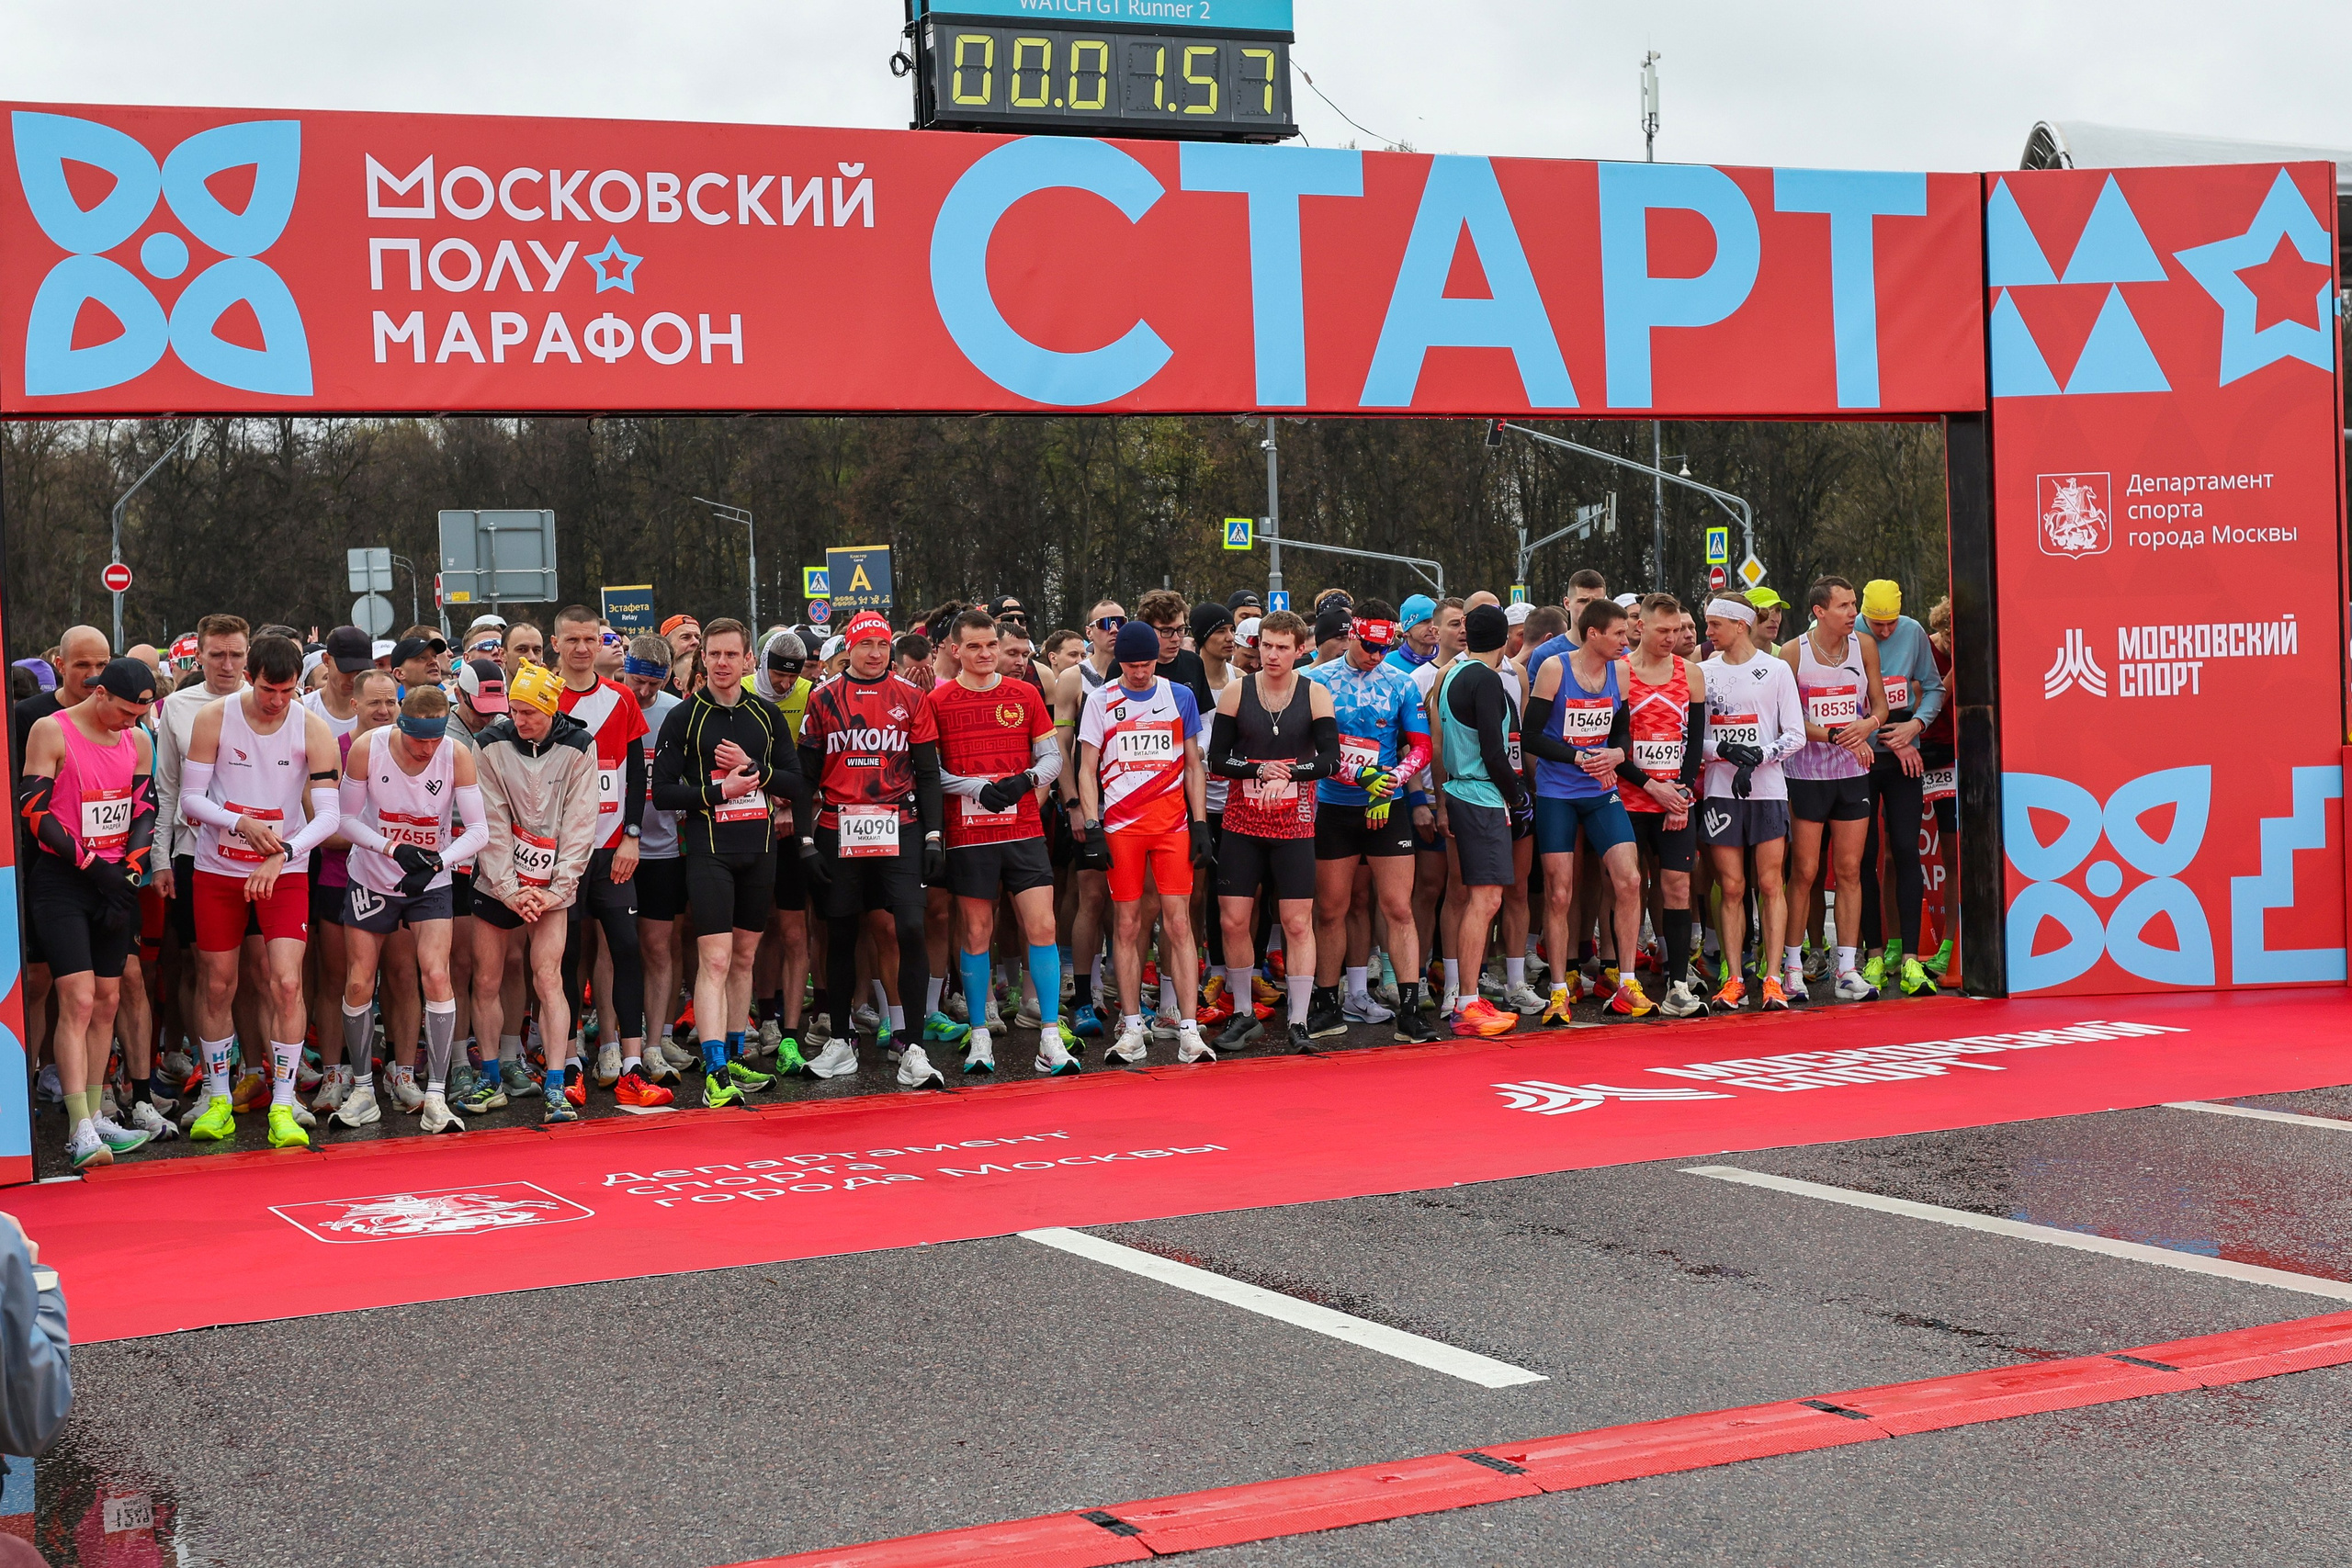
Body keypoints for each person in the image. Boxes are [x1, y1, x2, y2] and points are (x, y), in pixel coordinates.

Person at [175, 633, 343, 1147]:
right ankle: (220, 1098)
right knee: (219, 982)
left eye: (288, 691)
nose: (277, 701)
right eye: (269, 690)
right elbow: (190, 800)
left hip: (283, 871)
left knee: (287, 983)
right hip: (219, 869)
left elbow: (331, 815)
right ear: (250, 678)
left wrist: (284, 852)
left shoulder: (311, 727)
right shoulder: (215, 718)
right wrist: (240, 821)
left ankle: (286, 1105)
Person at [653, 618, 808, 1101]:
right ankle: (715, 1069)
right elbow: (661, 793)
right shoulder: (684, 717)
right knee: (715, 960)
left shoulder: (764, 715)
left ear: (747, 661)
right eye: (713, 655)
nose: (722, 664)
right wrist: (720, 790)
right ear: (703, 660)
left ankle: (737, 1056)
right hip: (710, 853)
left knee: (744, 957)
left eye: (731, 656)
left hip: (759, 850)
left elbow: (796, 782)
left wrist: (756, 771)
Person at [17, 658, 161, 1168]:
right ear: (100, 694)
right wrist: (91, 864)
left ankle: (97, 1111)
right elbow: (33, 811)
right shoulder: (49, 730)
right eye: (123, 711)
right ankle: (78, 1126)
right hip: (63, 880)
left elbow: (144, 808)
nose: (129, 723)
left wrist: (131, 869)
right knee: (75, 998)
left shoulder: (138, 739)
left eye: (138, 714)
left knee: (107, 997)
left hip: (115, 881)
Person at [790, 611, 944, 1086]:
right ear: (849, 649)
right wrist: (806, 840)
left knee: (911, 927)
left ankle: (914, 1046)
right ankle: (840, 1039)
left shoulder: (912, 697)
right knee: (840, 932)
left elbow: (927, 772)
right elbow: (804, 776)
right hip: (840, 826)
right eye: (865, 645)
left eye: (882, 644)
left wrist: (935, 835)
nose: (875, 653)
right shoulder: (823, 698)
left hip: (900, 825)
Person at [926, 608, 1076, 1075]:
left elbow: (1051, 759)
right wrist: (975, 788)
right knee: (975, 934)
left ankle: (1050, 1038)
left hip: (1024, 830)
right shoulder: (938, 700)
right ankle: (979, 1037)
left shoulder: (1025, 693)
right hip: (969, 835)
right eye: (974, 646)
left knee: (1044, 928)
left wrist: (1024, 780)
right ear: (956, 650)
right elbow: (930, 772)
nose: (986, 654)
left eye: (991, 644)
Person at [337, 684, 488, 1132]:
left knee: (437, 974)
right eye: (417, 739)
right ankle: (364, 1087)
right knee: (361, 979)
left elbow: (478, 830)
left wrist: (440, 860)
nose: (426, 749)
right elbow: (344, 820)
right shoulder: (369, 747)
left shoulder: (456, 753)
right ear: (400, 725)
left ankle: (437, 1095)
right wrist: (390, 847)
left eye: (434, 739)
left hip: (429, 878)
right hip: (373, 874)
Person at [464, 664, 601, 1123]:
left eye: (530, 713)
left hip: (552, 886)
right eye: (515, 712)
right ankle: (490, 1078)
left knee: (550, 979)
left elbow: (582, 824)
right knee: (486, 977)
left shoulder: (580, 745)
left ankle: (557, 1085)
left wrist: (556, 888)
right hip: (497, 879)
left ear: (552, 707)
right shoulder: (489, 744)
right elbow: (491, 819)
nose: (520, 721)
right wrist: (508, 888)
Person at [1077, 619, 1214, 1065]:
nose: (1140, 672)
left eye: (1148, 663)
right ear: (1120, 661)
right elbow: (1087, 766)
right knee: (1128, 923)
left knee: (1179, 924)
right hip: (1122, 827)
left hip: (1172, 825)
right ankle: (1132, 1026)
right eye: (1132, 664)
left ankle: (1190, 1029)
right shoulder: (1100, 699)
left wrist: (1200, 824)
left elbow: (1193, 764)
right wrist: (1093, 824)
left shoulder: (1180, 695)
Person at [1303, 600, 1439, 1041]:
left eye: (1384, 649)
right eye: (1367, 647)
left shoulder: (1400, 683)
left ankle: (1411, 1009)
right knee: (1331, 909)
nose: (1375, 656)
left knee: (1399, 907)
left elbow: (1421, 746)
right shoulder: (1315, 680)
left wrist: (1393, 778)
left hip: (1388, 804)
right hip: (1334, 806)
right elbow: (1310, 751)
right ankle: (1325, 1005)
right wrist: (1360, 775)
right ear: (1351, 634)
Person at [1204, 610, 1337, 1055]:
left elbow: (1329, 761)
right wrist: (1262, 771)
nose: (1273, 654)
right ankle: (1244, 1013)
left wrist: (1290, 774)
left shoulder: (1315, 693)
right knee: (1234, 919)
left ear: (1301, 650)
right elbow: (1217, 759)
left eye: (1283, 647)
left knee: (1298, 922)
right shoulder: (1236, 692)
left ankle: (1298, 1022)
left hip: (1295, 822)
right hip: (1242, 821)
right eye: (1266, 645)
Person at [549, 604, 663, 1101]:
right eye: (571, 639)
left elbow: (635, 772)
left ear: (601, 643)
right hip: (562, 857)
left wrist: (632, 836)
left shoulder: (619, 698)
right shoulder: (543, 698)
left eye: (589, 639)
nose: (580, 648)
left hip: (614, 848)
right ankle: (569, 1061)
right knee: (566, 958)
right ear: (557, 644)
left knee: (626, 950)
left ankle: (633, 1065)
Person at [1524, 598, 1653, 1020]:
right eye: (1618, 633)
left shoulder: (1619, 670)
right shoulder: (1555, 668)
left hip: (1601, 791)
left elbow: (1621, 732)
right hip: (1559, 791)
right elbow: (1532, 738)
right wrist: (1580, 758)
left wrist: (1615, 755)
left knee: (1630, 880)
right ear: (1592, 633)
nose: (1626, 639)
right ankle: (1560, 989)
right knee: (1560, 892)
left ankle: (1627, 983)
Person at [1780, 576, 1888, 1003]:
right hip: (1806, 775)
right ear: (1819, 611)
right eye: (1843, 606)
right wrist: (1831, 733)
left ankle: (1847, 969)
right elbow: (1786, 720)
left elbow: (1878, 704)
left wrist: (1869, 725)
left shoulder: (1864, 647)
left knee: (1849, 870)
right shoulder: (1794, 654)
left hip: (1852, 774)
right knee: (1805, 872)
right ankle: (1791, 966)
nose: (1852, 612)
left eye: (1854, 604)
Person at [1698, 597, 1806, 1012]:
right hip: (1722, 792)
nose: (1708, 633)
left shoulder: (1776, 669)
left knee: (1769, 883)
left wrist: (1759, 756)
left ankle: (1774, 978)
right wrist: (1723, 750)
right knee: (1731, 887)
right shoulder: (1703, 672)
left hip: (1767, 790)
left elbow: (1794, 735)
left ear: (1740, 625)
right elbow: (1695, 741)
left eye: (1715, 625)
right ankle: (1733, 978)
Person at [1429, 604, 1531, 1037]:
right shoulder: (1487, 679)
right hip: (1481, 794)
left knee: (1476, 898)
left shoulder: (1451, 672)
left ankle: (1467, 997)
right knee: (1485, 900)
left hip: (1458, 788)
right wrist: (1519, 798)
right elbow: (1494, 751)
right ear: (1507, 640)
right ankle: (1467, 1004)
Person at [1619, 595, 1710, 1017]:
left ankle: (1677, 984)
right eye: (1662, 631)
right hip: (1629, 798)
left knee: (1676, 886)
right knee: (1628, 887)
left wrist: (1683, 792)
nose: (1671, 639)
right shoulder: (1620, 672)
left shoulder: (1690, 673)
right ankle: (1626, 982)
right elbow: (1615, 744)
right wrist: (1651, 786)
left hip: (1675, 800)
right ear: (1641, 627)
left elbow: (1694, 743)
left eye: (1676, 631)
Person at [1855, 580, 1945, 999]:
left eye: (1890, 623)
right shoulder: (1849, 632)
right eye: (1877, 624)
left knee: (1908, 849)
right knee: (1864, 856)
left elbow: (1934, 687)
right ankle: (1873, 954)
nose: (1886, 631)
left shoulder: (1913, 632)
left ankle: (1910, 957)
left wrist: (1916, 726)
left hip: (1904, 753)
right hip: (1860, 756)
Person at [619, 637, 695, 1083]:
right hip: (612, 848)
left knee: (657, 947)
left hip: (663, 849)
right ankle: (613, 1042)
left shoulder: (674, 712)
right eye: (636, 681)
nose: (644, 692)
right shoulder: (609, 701)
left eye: (653, 683)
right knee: (612, 949)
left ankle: (657, 1040)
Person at [304, 626, 369, 740]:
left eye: (361, 671)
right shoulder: (302, 709)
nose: (354, 679)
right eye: (347, 670)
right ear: (326, 660)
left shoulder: (381, 710)